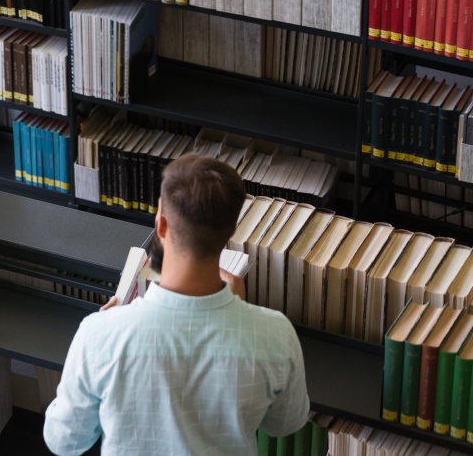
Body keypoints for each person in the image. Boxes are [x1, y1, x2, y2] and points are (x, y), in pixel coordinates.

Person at [43, 154, 310, 456]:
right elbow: (285, 424)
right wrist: (245, 317)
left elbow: (65, 442)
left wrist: (97, 344)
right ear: (232, 231)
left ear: (161, 225)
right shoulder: (276, 335)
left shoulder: (100, 335)